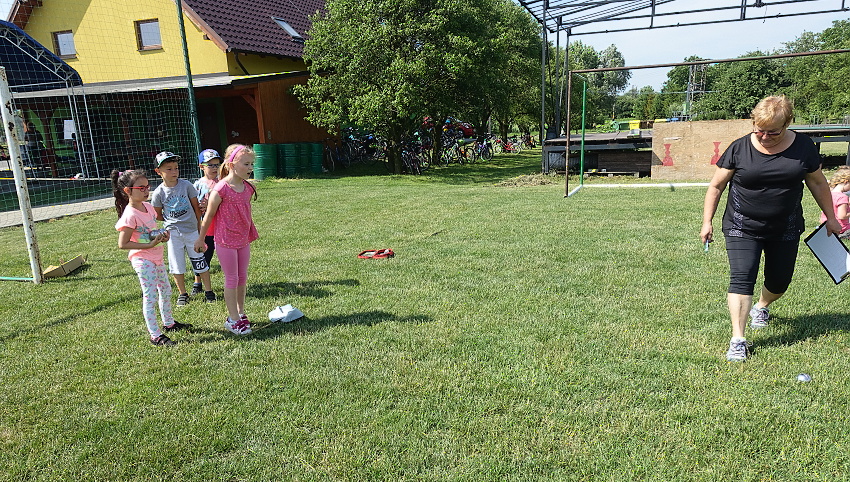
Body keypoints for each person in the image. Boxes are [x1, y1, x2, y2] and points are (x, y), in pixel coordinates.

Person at [700, 95, 842, 362]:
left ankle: (762, 306)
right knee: (742, 277)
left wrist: (831, 217)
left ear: (787, 124)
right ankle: (738, 339)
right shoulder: (739, 148)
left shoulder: (803, 147)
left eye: (773, 132)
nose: (764, 137)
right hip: (741, 224)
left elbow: (818, 183)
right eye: (759, 130)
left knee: (779, 281)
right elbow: (716, 185)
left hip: (785, 226)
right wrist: (707, 221)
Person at [112, 169, 192, 346]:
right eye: (141, 188)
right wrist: (148, 245)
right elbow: (122, 244)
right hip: (143, 260)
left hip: (156, 257)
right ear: (128, 191)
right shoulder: (130, 215)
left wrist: (163, 236)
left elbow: (149, 232)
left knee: (166, 290)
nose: (146, 190)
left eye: (148, 186)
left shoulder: (148, 207)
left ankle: (169, 323)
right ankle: (155, 335)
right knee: (151, 296)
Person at [194, 144, 259, 335]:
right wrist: (201, 239)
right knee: (231, 278)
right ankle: (232, 319)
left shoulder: (248, 188)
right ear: (231, 165)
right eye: (246, 164)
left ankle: (240, 312)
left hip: (242, 239)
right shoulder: (221, 189)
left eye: (252, 164)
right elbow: (209, 216)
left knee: (242, 277)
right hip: (225, 240)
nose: (250, 168)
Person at [150, 151, 216, 306]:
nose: (174, 172)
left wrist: (199, 230)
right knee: (176, 265)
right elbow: (157, 214)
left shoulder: (186, 186)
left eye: (176, 168)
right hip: (173, 234)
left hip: (192, 231)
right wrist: (171, 222)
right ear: (158, 171)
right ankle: (183, 294)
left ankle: (209, 291)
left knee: (200, 261)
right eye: (169, 169)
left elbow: (196, 209)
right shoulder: (158, 193)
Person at [191, 148, 221, 297]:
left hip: (221, 226)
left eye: (217, 164)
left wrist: (212, 204)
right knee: (204, 255)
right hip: (206, 228)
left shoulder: (222, 183)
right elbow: (193, 205)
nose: (214, 168)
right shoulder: (197, 185)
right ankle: (198, 282)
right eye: (210, 165)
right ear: (201, 166)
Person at [819, 168, 850, 239]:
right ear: (846, 182)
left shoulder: (828, 194)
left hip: (826, 227)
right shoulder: (842, 197)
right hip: (842, 229)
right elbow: (842, 216)